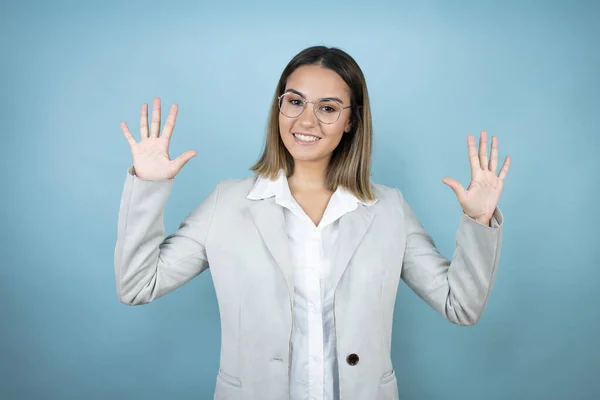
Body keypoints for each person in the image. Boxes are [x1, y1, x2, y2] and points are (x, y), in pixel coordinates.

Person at [115, 46, 509, 400]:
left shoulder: (389, 209)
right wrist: (149, 186)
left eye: (327, 107)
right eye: (295, 101)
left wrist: (478, 220)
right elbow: (137, 285)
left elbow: (461, 306)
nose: (306, 121)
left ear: (350, 121)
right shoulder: (227, 202)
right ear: (279, 106)